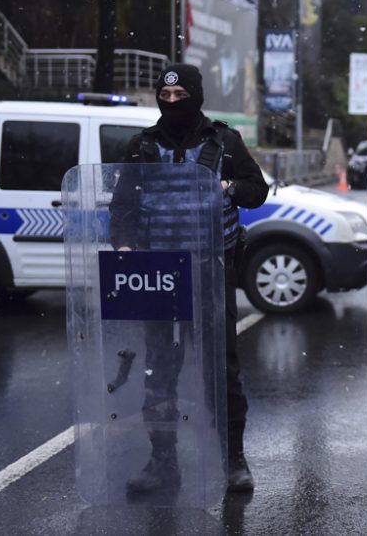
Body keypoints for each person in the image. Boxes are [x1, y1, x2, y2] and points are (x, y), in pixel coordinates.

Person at [111, 63, 269, 495]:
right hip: (159, 278)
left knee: (222, 370)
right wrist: (123, 246)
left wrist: (228, 187)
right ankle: (162, 463)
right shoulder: (142, 147)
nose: (173, 103)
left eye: (182, 96)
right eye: (167, 97)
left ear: (196, 96)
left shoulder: (224, 141)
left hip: (209, 272)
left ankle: (233, 460)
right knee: (158, 372)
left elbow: (257, 190)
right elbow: (122, 207)